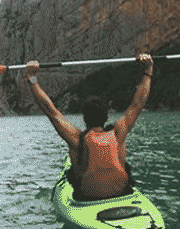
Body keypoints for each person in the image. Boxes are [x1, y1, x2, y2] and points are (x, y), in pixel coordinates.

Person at [25, 53, 154, 201]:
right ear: (106, 117)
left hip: (88, 199)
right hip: (121, 194)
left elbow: (51, 112)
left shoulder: (76, 139)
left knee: (72, 172)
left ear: (84, 119)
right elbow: (137, 104)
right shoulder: (119, 132)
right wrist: (148, 70)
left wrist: (32, 78)